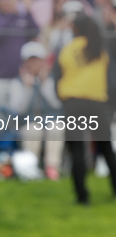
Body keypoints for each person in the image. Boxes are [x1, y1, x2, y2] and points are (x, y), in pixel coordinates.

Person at [56, 14, 116, 205]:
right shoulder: (100, 51)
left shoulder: (67, 50)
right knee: (106, 148)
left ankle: (82, 197)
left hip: (74, 104)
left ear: (75, 29)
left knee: (77, 150)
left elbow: (59, 75)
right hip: (97, 104)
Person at [9, 41, 63, 180]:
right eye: (31, 60)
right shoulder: (17, 82)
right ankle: (30, 167)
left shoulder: (51, 80)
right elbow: (17, 109)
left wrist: (45, 83)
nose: (34, 64)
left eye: (37, 60)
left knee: (56, 127)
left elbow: (56, 104)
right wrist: (27, 88)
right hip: (28, 123)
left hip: (50, 121)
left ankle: (52, 166)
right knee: (33, 130)